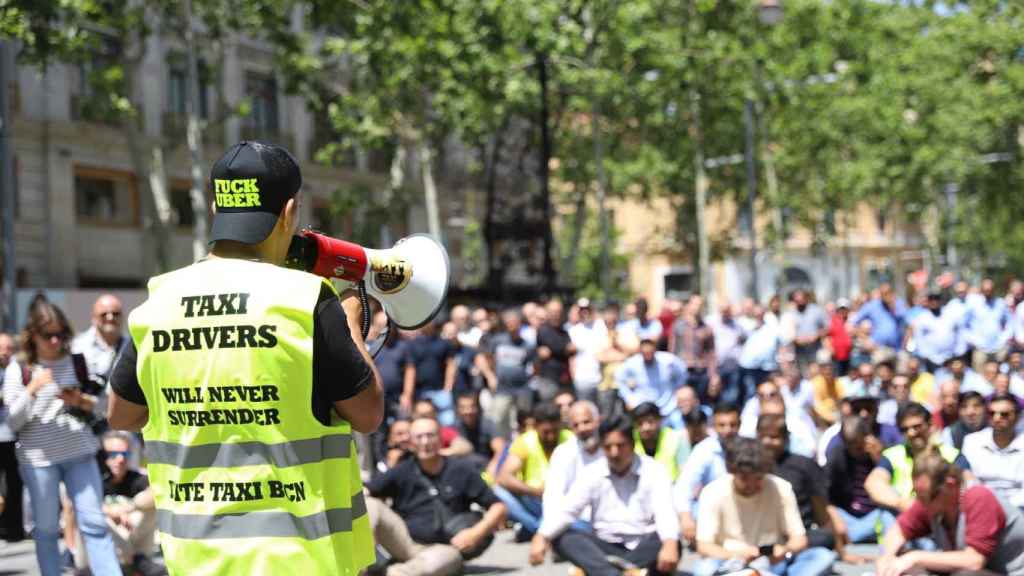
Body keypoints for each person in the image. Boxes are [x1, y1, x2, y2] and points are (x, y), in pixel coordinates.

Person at [107, 142, 383, 574]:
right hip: (297, 559)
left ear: (216, 206)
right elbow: (368, 414)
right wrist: (350, 318)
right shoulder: (305, 299)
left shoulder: (160, 300)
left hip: (195, 559)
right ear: (289, 212)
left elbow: (121, 415)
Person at [5, 298, 122, 576]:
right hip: (39, 461)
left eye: (60, 334)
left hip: (80, 453)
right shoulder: (19, 369)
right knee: (46, 529)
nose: (55, 341)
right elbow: (12, 420)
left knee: (94, 524)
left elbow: (104, 407)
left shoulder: (78, 362)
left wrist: (80, 401)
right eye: (48, 335)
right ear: (33, 335)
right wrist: (32, 389)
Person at [529, 416, 680, 576]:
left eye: (620, 446)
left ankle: (601, 571)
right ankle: (622, 573)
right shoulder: (592, 472)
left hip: (643, 544)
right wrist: (541, 536)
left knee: (671, 542)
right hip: (605, 546)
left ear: (632, 444)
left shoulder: (654, 471)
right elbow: (568, 510)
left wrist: (670, 544)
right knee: (563, 538)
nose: (614, 453)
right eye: (608, 447)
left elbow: (665, 512)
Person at [366, 417, 506, 575]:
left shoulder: (462, 469)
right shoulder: (401, 471)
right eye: (419, 437)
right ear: (411, 442)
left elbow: (498, 507)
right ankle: (362, 563)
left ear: (440, 439)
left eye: (430, 435)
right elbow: (367, 491)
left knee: (446, 559)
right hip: (403, 540)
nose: (425, 442)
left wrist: (475, 533)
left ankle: (391, 572)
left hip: (441, 549)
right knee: (369, 503)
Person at [692, 437, 836, 576]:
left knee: (822, 556)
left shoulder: (781, 488)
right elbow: (704, 546)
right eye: (745, 479)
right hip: (730, 563)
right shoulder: (713, 492)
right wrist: (736, 554)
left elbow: (799, 539)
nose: (752, 485)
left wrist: (785, 550)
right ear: (732, 472)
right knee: (704, 568)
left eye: (758, 478)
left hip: (772, 563)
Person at [877, 449, 1024, 576]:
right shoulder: (930, 501)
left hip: (1009, 573)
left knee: (964, 574)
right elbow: (899, 530)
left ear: (950, 484)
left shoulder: (978, 497)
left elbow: (974, 561)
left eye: (928, 497)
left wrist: (915, 557)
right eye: (919, 496)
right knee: (903, 563)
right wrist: (888, 558)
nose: (922, 505)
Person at [72, 431, 162, 576]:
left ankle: (137, 561)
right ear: (102, 456)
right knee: (91, 515)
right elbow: (76, 502)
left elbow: (158, 492)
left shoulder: (136, 478)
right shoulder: (93, 480)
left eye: (124, 454)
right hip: (100, 550)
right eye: (113, 454)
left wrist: (128, 508)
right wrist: (109, 512)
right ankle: (133, 563)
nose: (120, 459)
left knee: (150, 506)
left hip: (132, 539)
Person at [865, 402, 973, 516]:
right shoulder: (893, 454)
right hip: (902, 514)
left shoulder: (951, 455)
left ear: (930, 425)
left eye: (917, 427)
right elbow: (874, 483)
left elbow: (970, 484)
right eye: (905, 429)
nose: (911, 433)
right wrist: (901, 503)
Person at [494, 403, 571, 539]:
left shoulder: (570, 439)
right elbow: (503, 477)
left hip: (565, 501)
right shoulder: (525, 441)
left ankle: (541, 530)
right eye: (546, 432)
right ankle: (542, 529)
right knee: (499, 491)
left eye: (555, 431)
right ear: (535, 426)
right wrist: (535, 492)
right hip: (535, 499)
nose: (551, 437)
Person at [674, 402, 741, 545]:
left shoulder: (748, 447)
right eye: (722, 425)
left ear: (739, 424)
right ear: (714, 426)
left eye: (732, 424)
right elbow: (684, 486)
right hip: (714, 515)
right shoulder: (704, 449)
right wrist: (686, 518)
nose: (728, 430)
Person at [825, 416, 897, 543]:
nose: (854, 451)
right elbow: (825, 494)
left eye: (858, 446)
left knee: (888, 515)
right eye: (850, 445)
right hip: (848, 515)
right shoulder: (837, 455)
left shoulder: (882, 451)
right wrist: (835, 518)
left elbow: (890, 486)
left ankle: (855, 537)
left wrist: (878, 458)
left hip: (875, 514)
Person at [476, 308, 535, 439]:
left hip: (521, 388)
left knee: (523, 419)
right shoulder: (498, 341)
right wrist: (491, 377)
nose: (512, 326)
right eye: (509, 323)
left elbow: (535, 365)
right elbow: (486, 358)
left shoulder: (527, 345)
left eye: (515, 323)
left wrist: (528, 378)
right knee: (499, 419)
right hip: (502, 388)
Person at [543, 401, 603, 523]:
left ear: (598, 421)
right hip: (574, 521)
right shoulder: (563, 453)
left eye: (586, 422)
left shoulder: (612, 448)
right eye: (576, 425)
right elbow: (553, 495)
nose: (582, 429)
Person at [961, 393, 1024, 509]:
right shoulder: (972, 442)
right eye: (991, 413)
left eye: (1004, 414)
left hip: (1018, 509)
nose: (996, 418)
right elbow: (969, 481)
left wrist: (1003, 509)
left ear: (1017, 417)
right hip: (980, 506)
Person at [615, 338, 687, 422]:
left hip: (668, 407)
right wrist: (629, 398)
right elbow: (620, 379)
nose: (648, 356)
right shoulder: (631, 364)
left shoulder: (668, 360)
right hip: (644, 409)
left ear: (655, 350)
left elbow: (682, 372)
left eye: (650, 353)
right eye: (645, 353)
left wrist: (678, 389)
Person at [404, 320, 457, 425]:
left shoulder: (444, 343)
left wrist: (448, 387)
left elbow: (451, 365)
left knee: (448, 423)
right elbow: (410, 369)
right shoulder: (412, 344)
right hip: (420, 392)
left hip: (441, 391)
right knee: (421, 423)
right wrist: (408, 394)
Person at [669, 296, 716, 402]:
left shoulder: (706, 328)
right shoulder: (678, 325)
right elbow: (672, 349)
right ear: (688, 306)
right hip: (683, 369)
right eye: (694, 304)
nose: (696, 308)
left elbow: (711, 353)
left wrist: (713, 374)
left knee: (700, 400)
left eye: (700, 305)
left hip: (700, 371)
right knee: (683, 400)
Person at [451, 391, 505, 480]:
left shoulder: (488, 424)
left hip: (486, 469)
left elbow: (500, 449)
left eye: (472, 407)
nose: (468, 411)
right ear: (457, 409)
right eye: (463, 407)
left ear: (478, 408)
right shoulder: (453, 428)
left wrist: (493, 465)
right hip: (463, 472)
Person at [0, 332, 23, 542]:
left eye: (8, 348)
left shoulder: (18, 369)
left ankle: (14, 529)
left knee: (14, 485)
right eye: (1, 348)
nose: (5, 352)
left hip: (15, 437)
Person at [632, 401, 689, 481]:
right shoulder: (630, 440)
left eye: (650, 422)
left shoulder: (676, 438)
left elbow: (685, 473)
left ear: (660, 420)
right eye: (640, 423)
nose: (645, 428)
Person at [965, 278, 1013, 371]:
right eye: (986, 290)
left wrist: (1004, 338)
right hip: (980, 348)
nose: (988, 292)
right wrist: (973, 340)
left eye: (990, 290)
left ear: (994, 290)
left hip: (998, 347)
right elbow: (964, 325)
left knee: (1000, 374)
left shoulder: (1000, 303)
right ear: (981, 290)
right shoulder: (973, 304)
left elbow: (1010, 322)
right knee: (979, 376)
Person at [535, 300, 575, 398]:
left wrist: (568, 349)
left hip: (564, 378)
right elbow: (558, 347)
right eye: (553, 311)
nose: (556, 314)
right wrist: (566, 349)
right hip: (549, 379)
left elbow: (571, 350)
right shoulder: (543, 329)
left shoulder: (564, 331)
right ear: (547, 313)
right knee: (549, 405)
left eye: (558, 311)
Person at [850, 283, 907, 353]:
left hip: (897, 349)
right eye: (884, 294)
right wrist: (865, 339)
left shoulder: (899, 304)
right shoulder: (873, 306)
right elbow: (852, 324)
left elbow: (907, 323)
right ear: (881, 294)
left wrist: (892, 305)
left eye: (889, 293)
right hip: (878, 348)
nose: (887, 296)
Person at [782, 289, 828, 373]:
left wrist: (816, 336)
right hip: (799, 350)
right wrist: (796, 339)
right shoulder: (791, 313)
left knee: (815, 373)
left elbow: (826, 327)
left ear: (806, 298)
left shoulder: (816, 310)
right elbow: (787, 332)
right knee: (802, 374)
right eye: (797, 300)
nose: (800, 301)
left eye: (801, 299)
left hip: (815, 349)